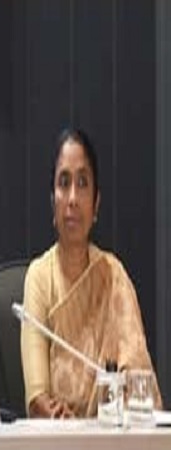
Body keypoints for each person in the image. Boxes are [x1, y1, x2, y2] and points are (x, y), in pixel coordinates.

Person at [20, 128, 162, 418]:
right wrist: (59, 419)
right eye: (64, 183)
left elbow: (140, 390)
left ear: (96, 203)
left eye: (82, 183)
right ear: (53, 201)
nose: (72, 198)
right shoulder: (39, 277)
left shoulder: (113, 275)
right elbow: (37, 397)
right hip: (57, 437)